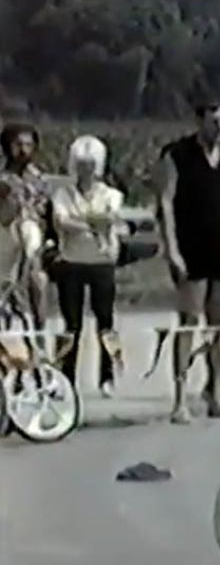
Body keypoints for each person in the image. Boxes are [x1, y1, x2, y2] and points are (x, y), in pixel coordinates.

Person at [156, 100, 220, 424]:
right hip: (191, 244)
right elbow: (166, 202)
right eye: (213, 121)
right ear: (200, 121)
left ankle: (218, 392)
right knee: (189, 319)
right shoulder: (178, 155)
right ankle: (180, 398)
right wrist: (172, 248)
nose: (219, 128)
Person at [50, 136, 126, 394]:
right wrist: (91, 223)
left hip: (102, 262)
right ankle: (65, 377)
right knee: (71, 325)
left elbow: (109, 217)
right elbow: (61, 221)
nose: (87, 168)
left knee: (106, 322)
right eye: (82, 163)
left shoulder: (111, 194)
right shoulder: (62, 194)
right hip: (71, 262)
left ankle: (108, 376)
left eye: (92, 163)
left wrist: (80, 221)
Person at [0, 123, 51, 330]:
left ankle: (40, 330)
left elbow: (46, 212)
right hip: (7, 242)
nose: (23, 150)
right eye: (18, 145)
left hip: (34, 244)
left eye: (28, 145)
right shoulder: (3, 181)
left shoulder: (39, 179)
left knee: (38, 281)